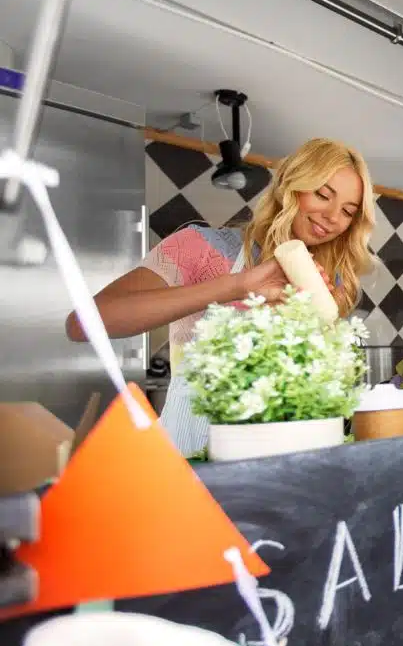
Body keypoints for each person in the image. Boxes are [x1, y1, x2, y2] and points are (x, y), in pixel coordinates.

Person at [65, 137, 376, 456]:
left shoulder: (326, 280)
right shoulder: (201, 248)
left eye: (349, 211)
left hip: (287, 468)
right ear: (289, 187)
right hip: (194, 467)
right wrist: (237, 286)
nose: (333, 217)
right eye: (323, 195)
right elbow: (83, 324)